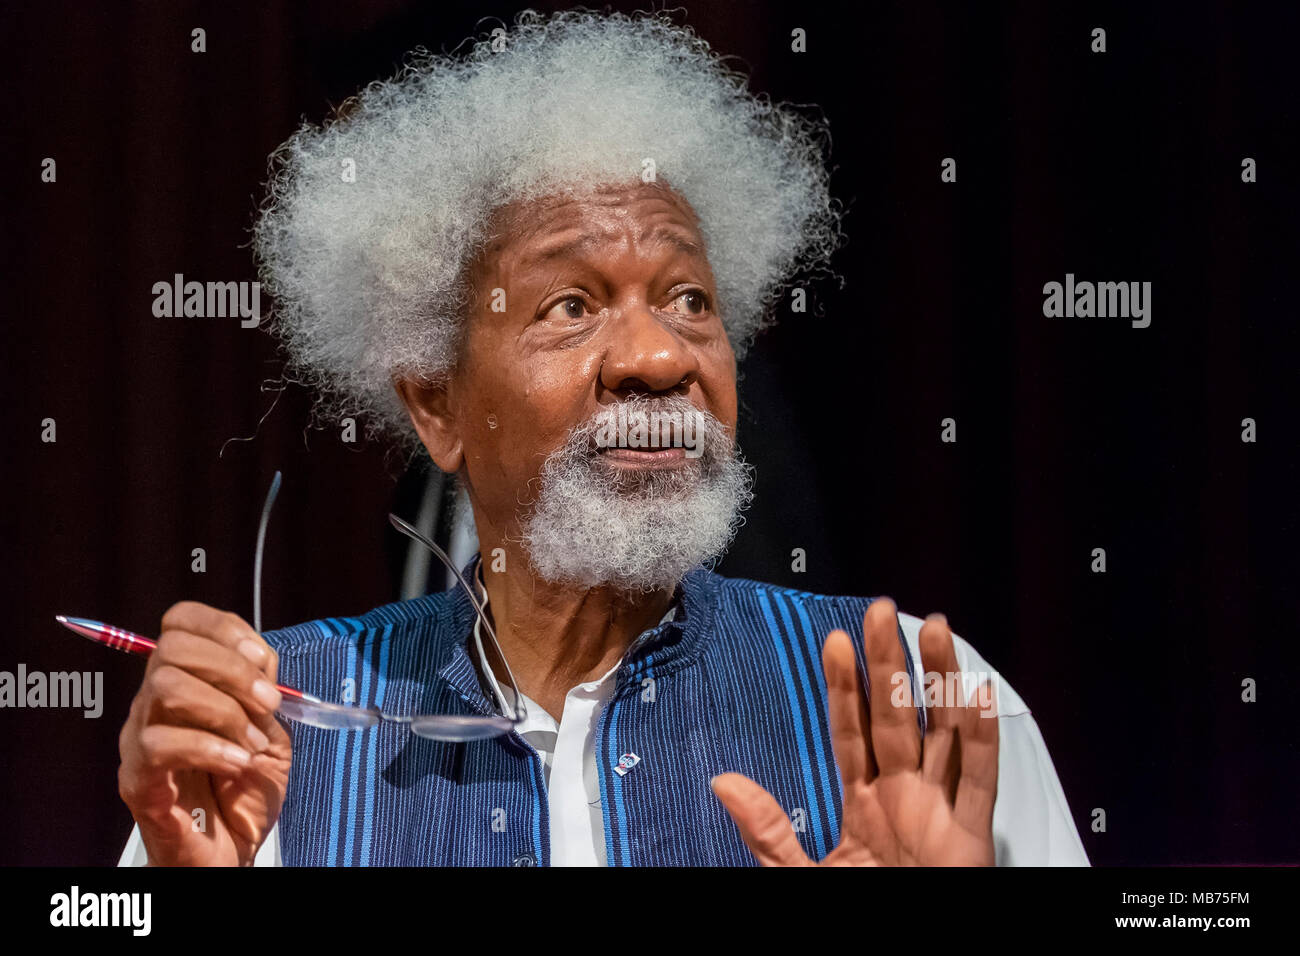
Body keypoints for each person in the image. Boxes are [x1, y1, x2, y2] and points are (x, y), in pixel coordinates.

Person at [117, 9, 1088, 867]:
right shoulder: (271, 735)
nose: (658, 355)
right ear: (436, 405)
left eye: (690, 298)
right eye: (571, 304)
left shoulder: (922, 717)